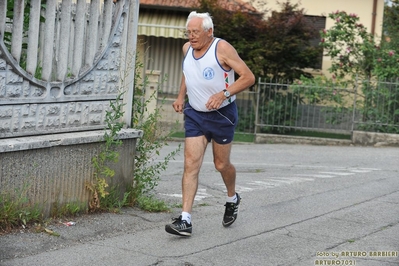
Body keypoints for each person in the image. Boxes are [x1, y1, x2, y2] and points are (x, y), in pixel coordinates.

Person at [165, 11, 255, 237]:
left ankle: (232, 197)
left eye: (195, 32)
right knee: (190, 163)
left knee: (221, 165)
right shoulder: (187, 49)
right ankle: (185, 219)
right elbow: (188, 72)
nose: (191, 36)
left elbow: (248, 77)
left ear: (209, 32)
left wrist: (223, 94)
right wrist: (180, 96)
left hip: (222, 114)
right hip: (195, 113)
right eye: (189, 32)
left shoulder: (222, 48)